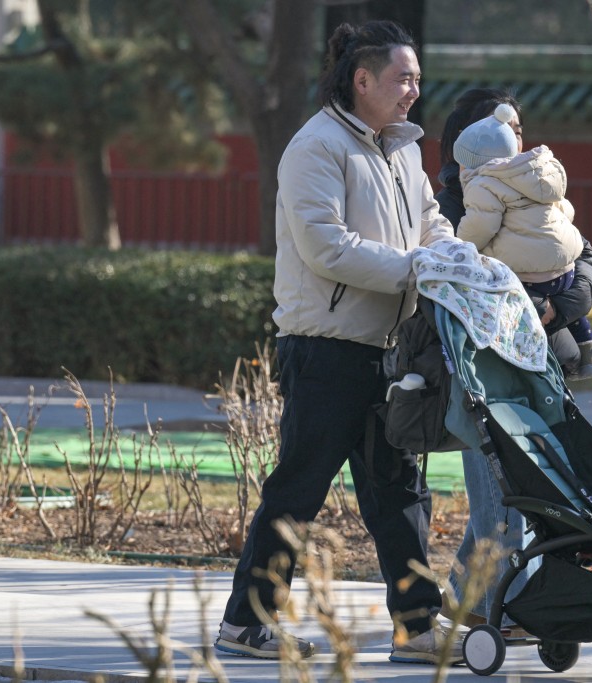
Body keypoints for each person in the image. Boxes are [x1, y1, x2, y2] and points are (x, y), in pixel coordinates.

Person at [214, 20, 461, 665]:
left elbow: (431, 222)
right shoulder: (314, 146)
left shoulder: (401, 147)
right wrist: (418, 270)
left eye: (416, 78)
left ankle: (417, 626)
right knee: (297, 491)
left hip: (392, 351)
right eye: (402, 78)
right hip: (326, 352)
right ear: (362, 79)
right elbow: (327, 248)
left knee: (400, 492)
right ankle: (247, 625)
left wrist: (455, 262)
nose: (414, 90)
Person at [433, 88, 592, 630]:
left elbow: (583, 256)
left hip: (544, 362)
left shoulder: (534, 190)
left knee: (518, 493)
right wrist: (534, 310)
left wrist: (557, 308)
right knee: (501, 496)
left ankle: (468, 606)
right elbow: (465, 268)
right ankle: (495, 611)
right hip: (492, 369)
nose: (517, 139)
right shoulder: (455, 199)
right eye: (503, 128)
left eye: (518, 127)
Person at [453, 102, 592, 380]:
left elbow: (479, 228)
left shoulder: (482, 184)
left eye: (517, 131)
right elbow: (566, 212)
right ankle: (588, 349)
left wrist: (462, 245)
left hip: (529, 280)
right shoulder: (539, 178)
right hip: (564, 272)